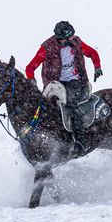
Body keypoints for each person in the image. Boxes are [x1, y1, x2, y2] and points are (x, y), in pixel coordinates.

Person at [25, 21, 103, 150]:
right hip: (55, 84)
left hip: (76, 82)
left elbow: (92, 53)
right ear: (61, 38)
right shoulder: (47, 47)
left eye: (73, 35)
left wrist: (97, 67)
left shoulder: (77, 43)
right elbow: (30, 67)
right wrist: (31, 80)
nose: (73, 38)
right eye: (70, 37)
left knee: (71, 104)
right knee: (44, 106)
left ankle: (80, 140)